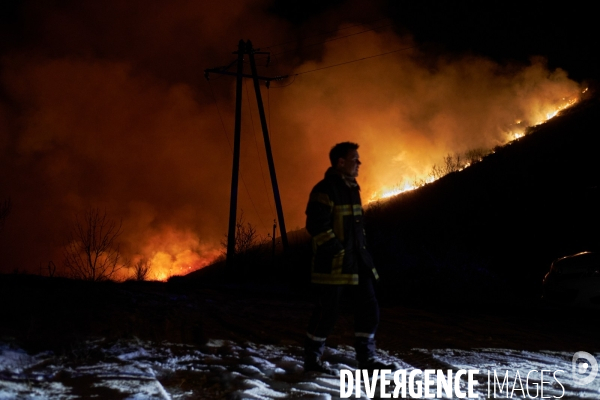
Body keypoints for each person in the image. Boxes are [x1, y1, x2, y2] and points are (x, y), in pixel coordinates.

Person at [303, 142, 397, 375]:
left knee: (369, 309)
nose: (359, 164)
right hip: (333, 266)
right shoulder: (325, 189)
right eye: (355, 159)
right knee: (327, 313)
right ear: (340, 162)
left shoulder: (353, 189)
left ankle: (367, 359)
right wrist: (337, 250)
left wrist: (362, 256)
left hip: (358, 263)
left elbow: (356, 229)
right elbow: (316, 225)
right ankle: (312, 359)